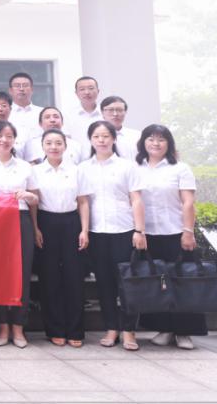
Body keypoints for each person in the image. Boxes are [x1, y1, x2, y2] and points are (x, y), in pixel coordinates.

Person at [136, 124, 206, 350]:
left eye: (161, 139)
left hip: (176, 232)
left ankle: (184, 332)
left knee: (182, 282)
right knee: (156, 283)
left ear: (169, 143)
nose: (155, 143)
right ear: (143, 142)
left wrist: (188, 231)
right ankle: (164, 328)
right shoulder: (136, 168)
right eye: (151, 139)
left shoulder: (180, 168)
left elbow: (188, 202)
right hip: (148, 234)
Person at [80, 120, 147, 350]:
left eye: (106, 136)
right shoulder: (83, 168)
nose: (101, 140)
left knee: (127, 283)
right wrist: (84, 231)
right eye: (96, 136)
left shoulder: (127, 166)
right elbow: (84, 202)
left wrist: (139, 230)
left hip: (124, 230)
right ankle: (111, 328)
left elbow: (136, 199)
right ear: (90, 140)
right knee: (104, 283)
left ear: (114, 139)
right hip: (97, 232)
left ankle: (129, 331)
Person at [0, 120, 40, 348]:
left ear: (14, 140)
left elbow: (36, 199)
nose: (4, 140)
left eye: (9, 136)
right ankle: (2, 324)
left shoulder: (25, 166)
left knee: (22, 274)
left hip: (20, 220)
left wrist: (28, 198)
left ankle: (18, 326)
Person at [33, 128, 91, 348]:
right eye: (49, 143)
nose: (54, 147)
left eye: (58, 143)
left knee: (74, 277)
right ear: (42, 146)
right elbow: (34, 203)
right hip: (45, 222)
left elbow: (83, 202)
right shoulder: (36, 171)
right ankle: (54, 329)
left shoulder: (76, 170)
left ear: (65, 146)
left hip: (71, 222)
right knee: (49, 278)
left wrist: (84, 230)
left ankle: (75, 330)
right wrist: (35, 228)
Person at [101, 96, 140, 160]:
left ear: (125, 112)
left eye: (119, 110)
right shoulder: (96, 137)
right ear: (102, 113)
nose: (115, 114)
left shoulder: (137, 135)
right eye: (110, 110)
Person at [66, 76, 102, 141]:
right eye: (82, 89)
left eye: (91, 88)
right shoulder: (68, 115)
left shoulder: (106, 114)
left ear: (98, 91)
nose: (87, 92)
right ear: (76, 93)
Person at [8, 73, 41, 137]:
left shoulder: (42, 113)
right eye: (17, 86)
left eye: (25, 85)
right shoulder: (4, 114)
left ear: (32, 89)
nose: (21, 89)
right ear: (10, 90)